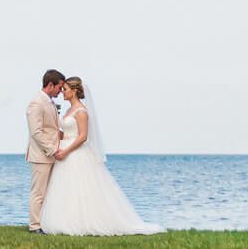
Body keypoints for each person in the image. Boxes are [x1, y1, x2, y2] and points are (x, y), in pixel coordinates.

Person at [40, 76, 163, 236]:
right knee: (66, 189)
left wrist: (66, 151)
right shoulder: (68, 110)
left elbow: (83, 137)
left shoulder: (82, 111)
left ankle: (83, 222)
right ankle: (65, 221)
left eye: (66, 89)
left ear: (74, 91)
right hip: (63, 151)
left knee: (80, 188)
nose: (62, 92)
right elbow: (66, 133)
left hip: (74, 153)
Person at [25, 68, 66, 231]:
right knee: (38, 193)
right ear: (50, 85)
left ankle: (45, 223)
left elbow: (52, 129)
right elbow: (36, 132)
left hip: (50, 155)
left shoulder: (49, 102)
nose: (61, 91)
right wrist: (53, 150)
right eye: (59, 87)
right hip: (41, 156)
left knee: (48, 193)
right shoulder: (36, 103)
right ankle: (34, 226)